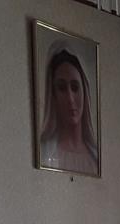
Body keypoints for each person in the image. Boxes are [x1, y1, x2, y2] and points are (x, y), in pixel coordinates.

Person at [38, 40, 99, 175]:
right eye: (62, 88)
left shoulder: (95, 157)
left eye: (75, 87)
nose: (70, 99)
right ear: (53, 95)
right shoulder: (44, 152)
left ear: (84, 91)